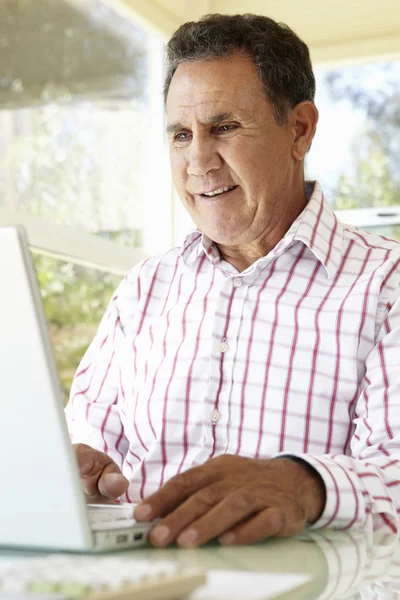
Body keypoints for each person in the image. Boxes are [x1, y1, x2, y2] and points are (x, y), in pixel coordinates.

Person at [66, 13, 400, 549]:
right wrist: (76, 475)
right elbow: (85, 447)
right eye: (180, 134)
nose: (198, 160)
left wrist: (304, 484)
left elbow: (395, 473)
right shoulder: (143, 290)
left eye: (224, 128)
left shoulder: (387, 285)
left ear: (299, 129)